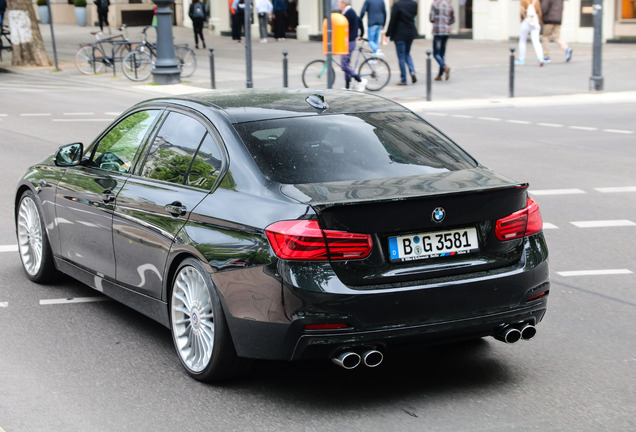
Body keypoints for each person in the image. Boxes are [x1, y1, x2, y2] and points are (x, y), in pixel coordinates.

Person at [385, 0, 418, 86]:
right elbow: (414, 15)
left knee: (401, 56)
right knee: (407, 53)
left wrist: (388, 33)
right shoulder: (414, 4)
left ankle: (403, 79)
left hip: (399, 34)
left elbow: (393, 20)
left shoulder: (397, 5)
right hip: (410, 32)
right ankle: (412, 71)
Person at [337, 0, 367, 91]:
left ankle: (359, 80)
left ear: (344, 3)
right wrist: (361, 33)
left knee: (344, 65)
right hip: (349, 42)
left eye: (339, 2)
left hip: (348, 42)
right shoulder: (349, 12)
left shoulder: (349, 13)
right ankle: (347, 86)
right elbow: (360, 21)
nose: (338, 4)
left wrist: (360, 34)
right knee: (346, 64)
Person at [430, 0, 455, 81]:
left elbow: (431, 18)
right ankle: (440, 75)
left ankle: (444, 66)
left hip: (438, 31)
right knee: (442, 54)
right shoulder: (449, 4)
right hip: (446, 32)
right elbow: (452, 19)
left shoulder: (435, 4)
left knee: (436, 54)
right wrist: (446, 23)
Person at [516, 0, 545, 66]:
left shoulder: (523, 1)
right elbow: (540, 14)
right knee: (536, 41)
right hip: (535, 22)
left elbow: (521, 12)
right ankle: (540, 58)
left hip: (526, 22)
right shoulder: (537, 1)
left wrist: (522, 20)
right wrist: (540, 23)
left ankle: (521, 59)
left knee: (522, 40)